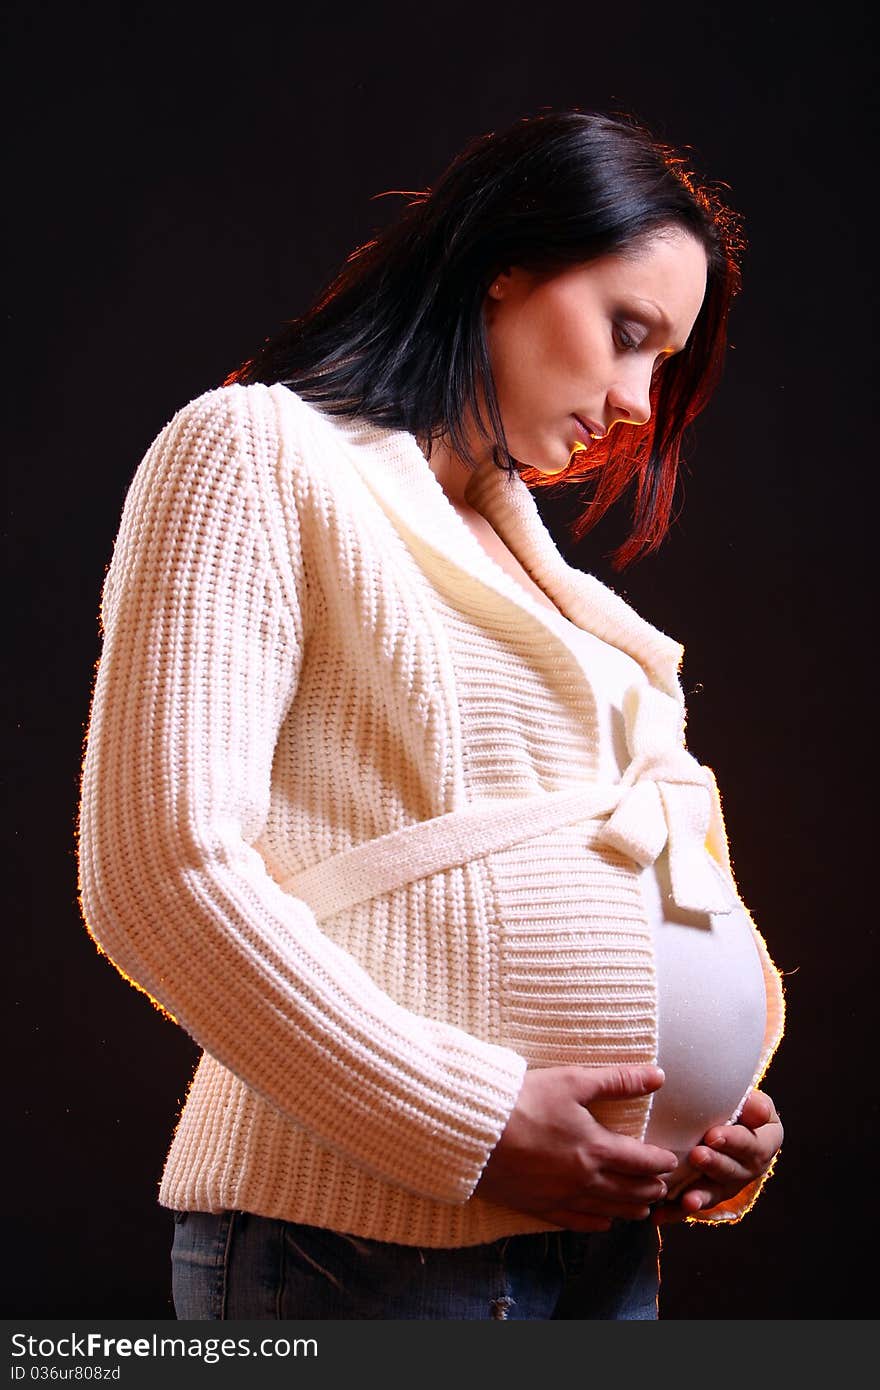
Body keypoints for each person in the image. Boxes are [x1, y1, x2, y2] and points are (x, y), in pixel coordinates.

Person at [76, 108, 785, 1321]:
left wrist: (716, 1119)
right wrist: (472, 1120)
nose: (634, 404)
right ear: (504, 259)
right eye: (626, 334)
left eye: (660, 366)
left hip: (600, 1244)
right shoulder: (256, 452)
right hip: (356, 1242)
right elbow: (158, 868)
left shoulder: (554, 585)